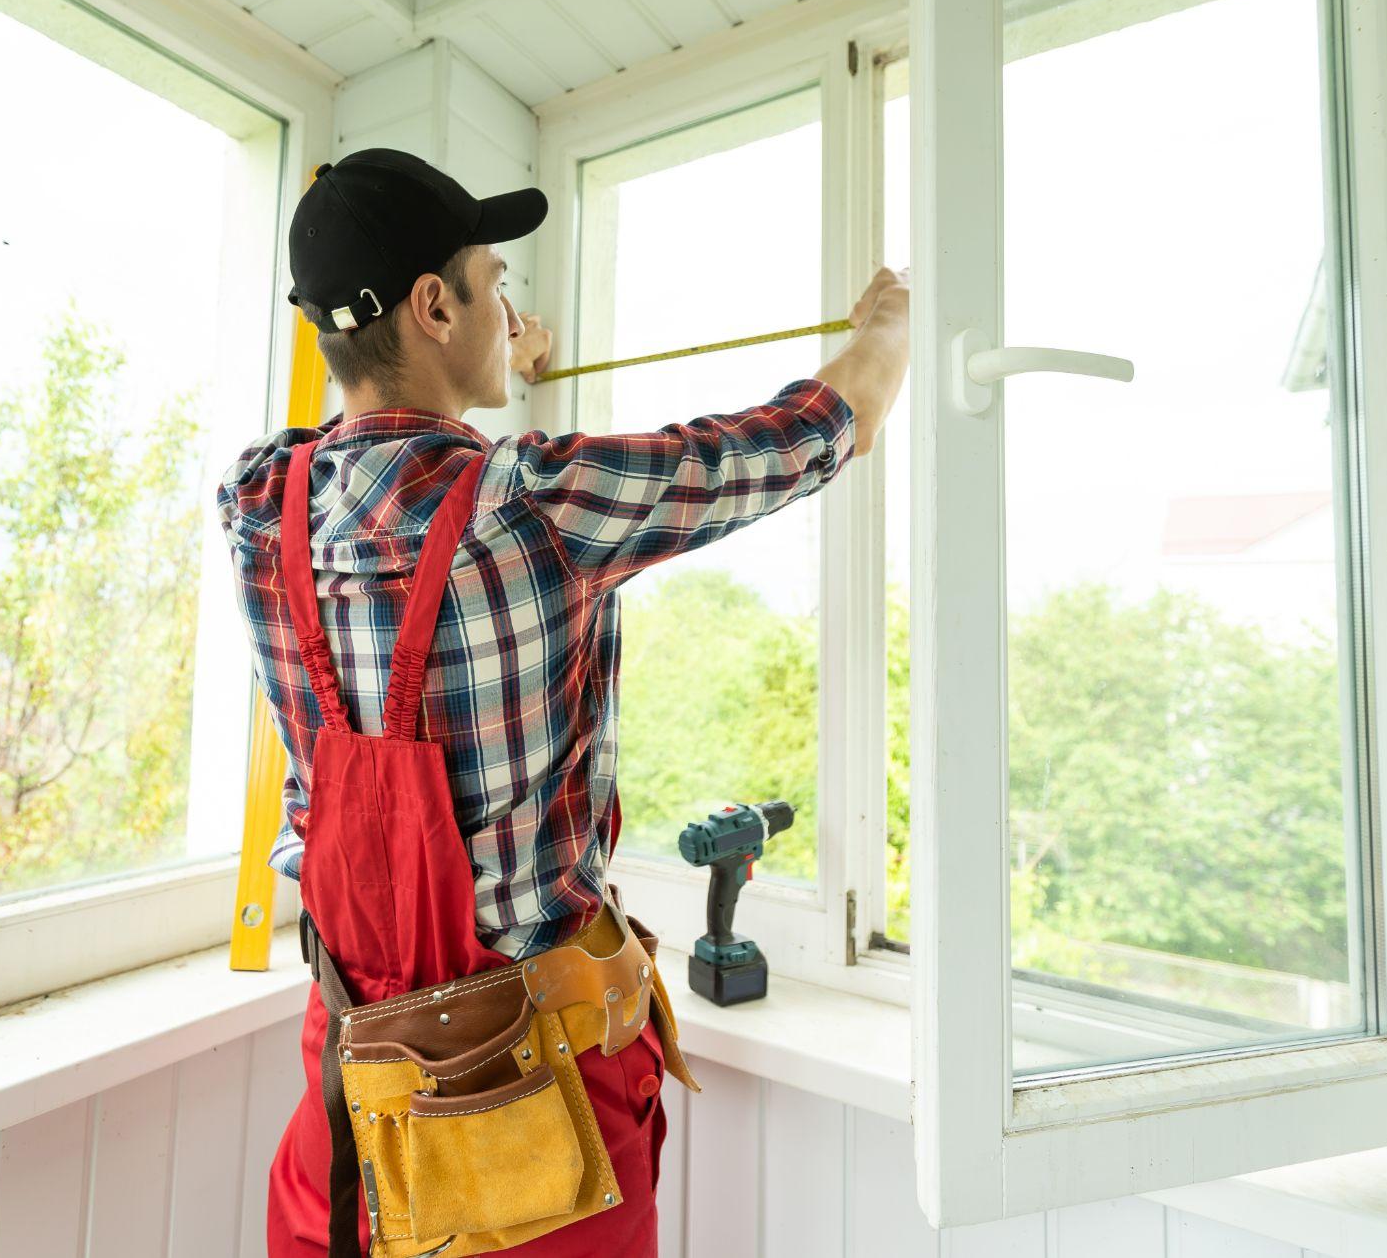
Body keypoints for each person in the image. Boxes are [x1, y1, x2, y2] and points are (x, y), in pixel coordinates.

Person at [216, 147, 909, 1257]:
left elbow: (378, 459)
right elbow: (812, 435)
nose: (515, 305)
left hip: (356, 1075)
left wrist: (476, 363)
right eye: (496, 282)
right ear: (434, 305)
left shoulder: (259, 502)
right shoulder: (537, 502)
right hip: (529, 1090)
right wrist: (883, 333)